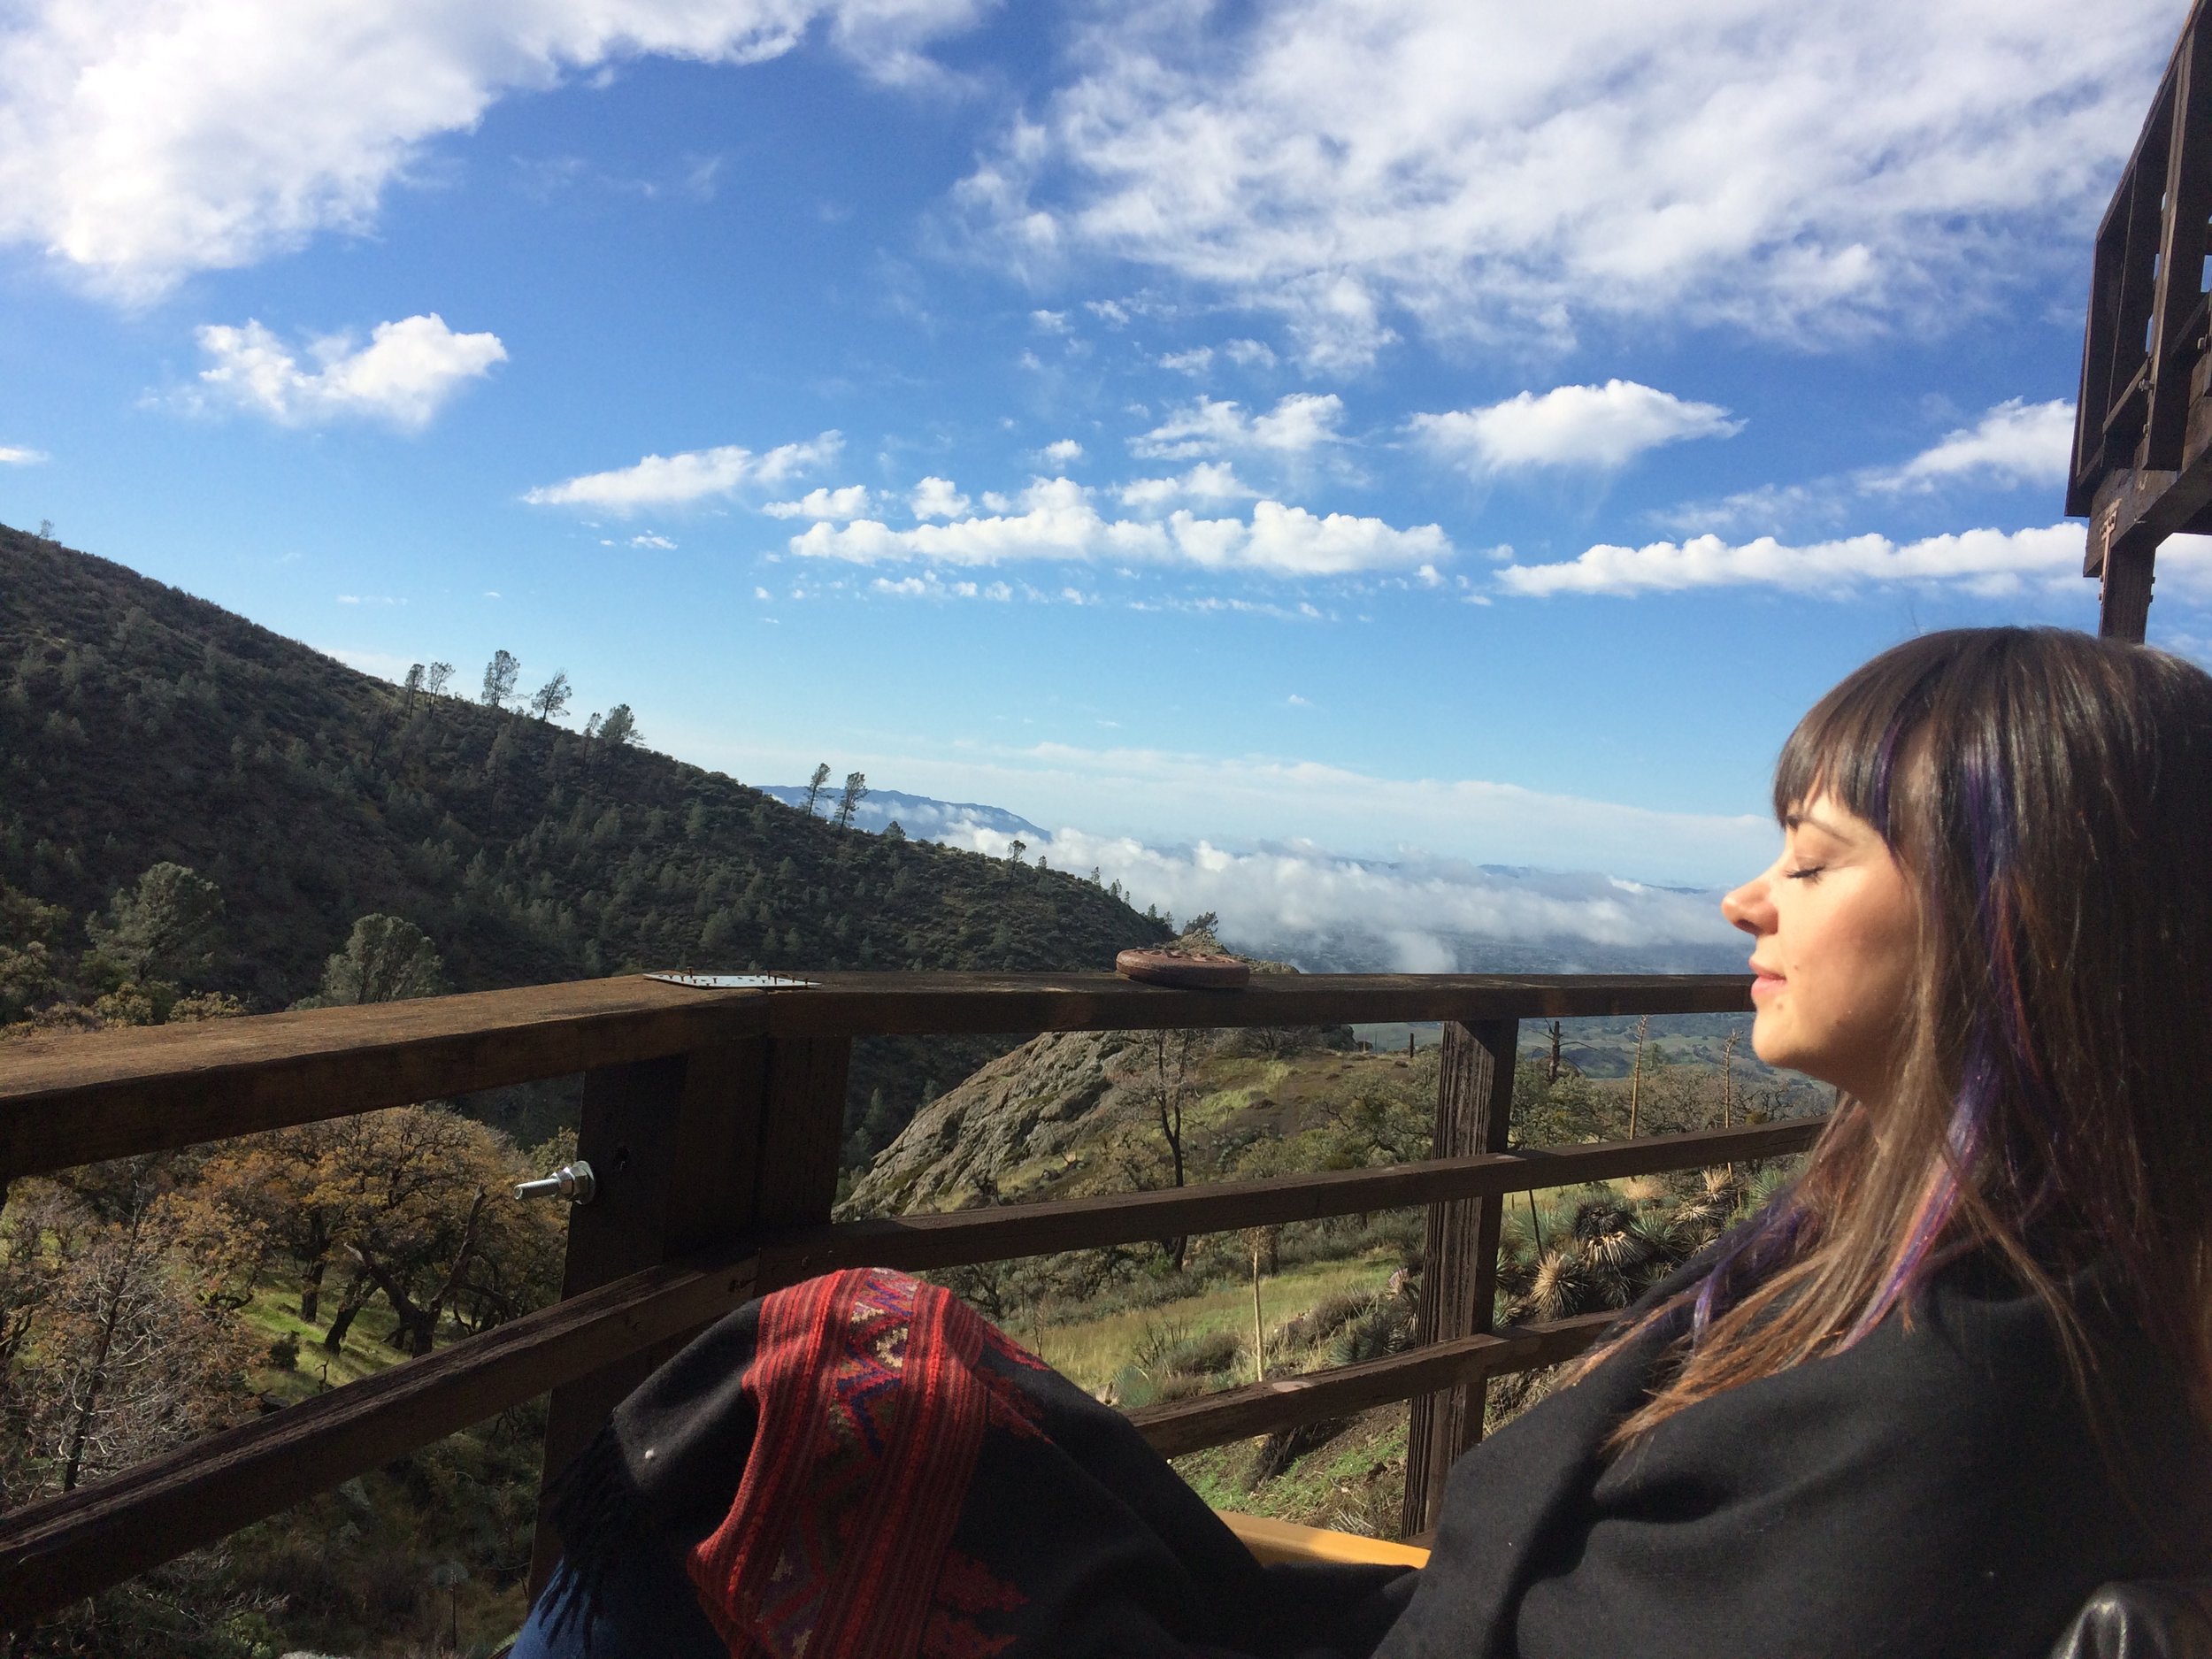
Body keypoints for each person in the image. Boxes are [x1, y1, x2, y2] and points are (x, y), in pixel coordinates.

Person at [511, 627, 2212, 1659]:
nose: (1744, 899)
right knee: (861, 1357)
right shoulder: (1986, 1291)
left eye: (1815, 859)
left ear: (2015, 927)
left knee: (799, 1405)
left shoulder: (1950, 1409)